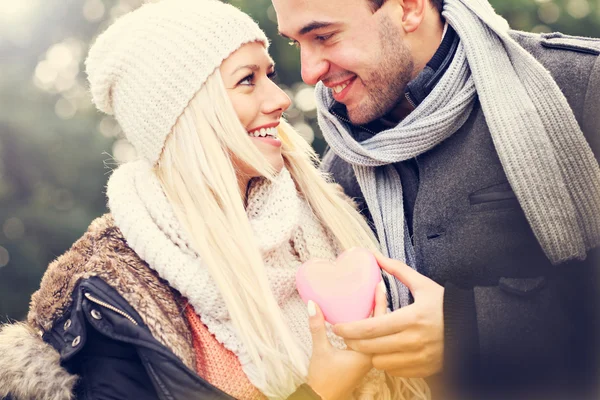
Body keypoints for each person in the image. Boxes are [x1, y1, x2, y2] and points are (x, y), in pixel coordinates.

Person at [0, 1, 431, 399]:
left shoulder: (333, 212)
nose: (279, 100)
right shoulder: (106, 299)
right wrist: (317, 392)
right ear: (185, 113)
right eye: (247, 81)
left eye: (270, 76)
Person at [271, 0, 600, 398]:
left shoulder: (582, 84)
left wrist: (470, 328)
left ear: (409, 8)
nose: (309, 73)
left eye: (324, 36)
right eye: (296, 44)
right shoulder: (338, 171)